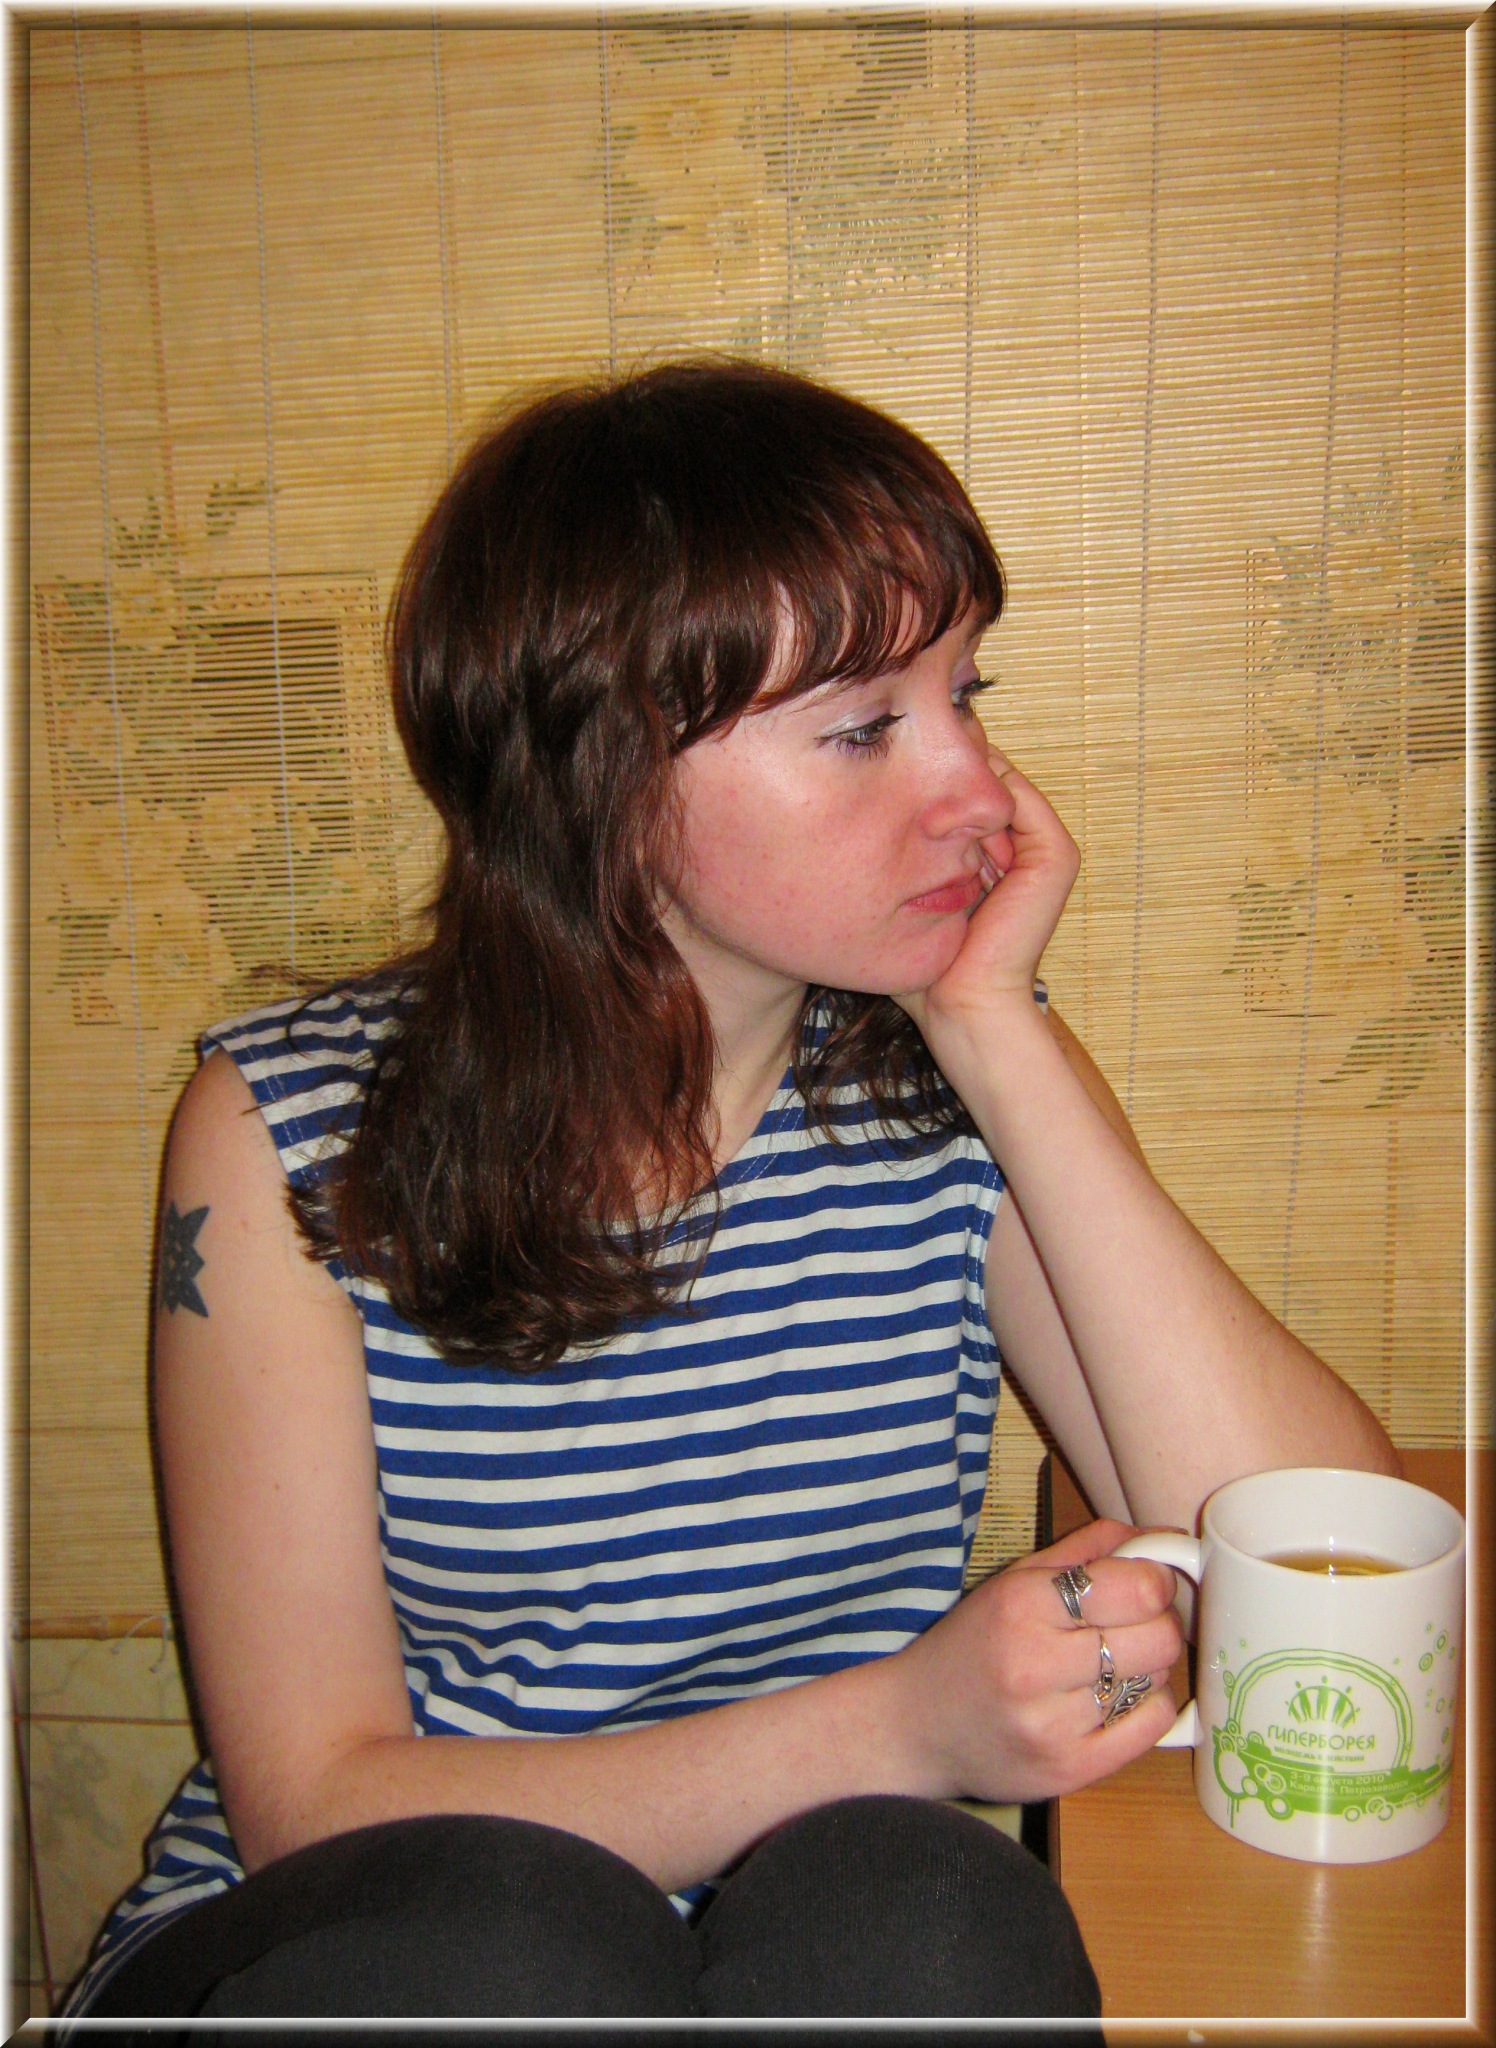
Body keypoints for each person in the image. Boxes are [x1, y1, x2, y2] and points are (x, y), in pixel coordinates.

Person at [65, 361, 1400, 2023]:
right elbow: (314, 1809)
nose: (982, 795)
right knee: (516, 1953)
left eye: (967, 693)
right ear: (600, 776)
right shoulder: (292, 1129)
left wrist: (996, 1035)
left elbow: (1330, 1580)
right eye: (864, 727)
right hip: (355, 1942)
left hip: (797, 1929)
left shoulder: (939, 1077)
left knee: (929, 1911)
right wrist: (904, 1725)